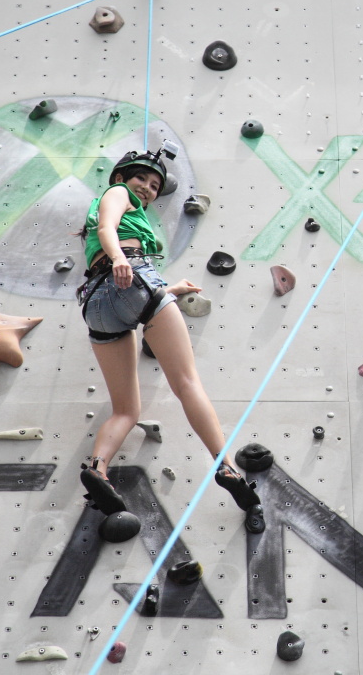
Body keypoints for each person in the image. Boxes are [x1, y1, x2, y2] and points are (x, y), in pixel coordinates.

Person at [75, 147, 262, 530]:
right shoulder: (116, 194)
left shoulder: (120, 211)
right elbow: (108, 230)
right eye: (140, 178)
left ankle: (98, 469)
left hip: (98, 304)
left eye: (155, 185)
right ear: (121, 178)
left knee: (126, 411)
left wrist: (167, 289)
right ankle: (226, 467)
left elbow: (113, 266)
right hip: (130, 276)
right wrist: (122, 260)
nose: (147, 187)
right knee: (187, 383)